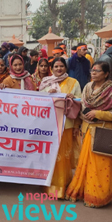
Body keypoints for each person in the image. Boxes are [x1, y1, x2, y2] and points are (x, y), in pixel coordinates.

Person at [66, 58, 112, 208]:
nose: (93, 73)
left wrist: (98, 113)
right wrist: (75, 100)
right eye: (92, 70)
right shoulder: (87, 87)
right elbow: (83, 105)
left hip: (104, 131)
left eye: (97, 70)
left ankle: (99, 196)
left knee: (101, 167)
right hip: (87, 130)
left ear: (106, 74)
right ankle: (84, 192)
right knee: (86, 164)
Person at [39, 57, 82, 199]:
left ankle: (63, 186)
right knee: (51, 156)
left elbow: (79, 103)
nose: (59, 69)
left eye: (61, 66)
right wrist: (47, 95)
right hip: (50, 126)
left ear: (66, 68)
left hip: (67, 125)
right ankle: (49, 186)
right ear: (52, 69)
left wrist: (72, 97)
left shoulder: (73, 83)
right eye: (56, 67)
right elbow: (38, 103)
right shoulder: (46, 83)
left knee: (63, 157)